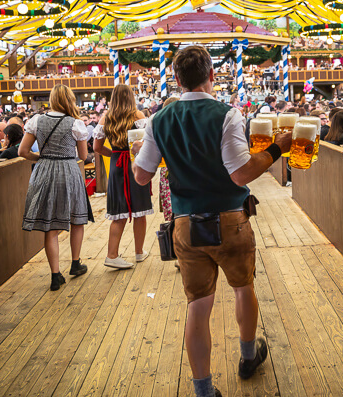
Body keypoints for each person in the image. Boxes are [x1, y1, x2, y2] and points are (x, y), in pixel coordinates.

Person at [132, 45, 291, 397]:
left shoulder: (159, 119)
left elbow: (141, 175)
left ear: (176, 79)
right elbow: (240, 174)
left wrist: (137, 153)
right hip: (230, 220)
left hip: (186, 224)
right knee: (242, 287)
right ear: (212, 76)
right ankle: (248, 358)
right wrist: (277, 148)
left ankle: (203, 390)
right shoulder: (228, 114)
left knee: (198, 305)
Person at [19, 84, 92, 291]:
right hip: (68, 170)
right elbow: (84, 156)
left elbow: (23, 152)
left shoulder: (36, 120)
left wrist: (42, 157)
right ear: (70, 100)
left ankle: (54, 275)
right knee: (77, 218)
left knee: (50, 225)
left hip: (43, 171)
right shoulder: (76, 123)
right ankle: (76, 263)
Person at [93, 83, 152, 270]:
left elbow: (96, 148)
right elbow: (145, 143)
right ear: (131, 97)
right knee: (140, 211)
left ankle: (112, 254)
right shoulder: (138, 116)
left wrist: (112, 154)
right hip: (135, 163)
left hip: (117, 164)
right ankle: (139, 252)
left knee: (119, 211)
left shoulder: (105, 118)